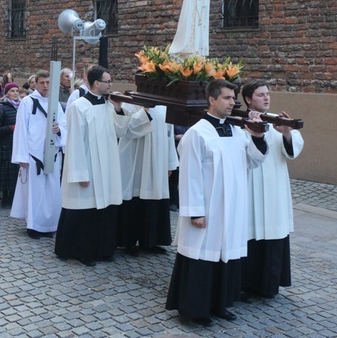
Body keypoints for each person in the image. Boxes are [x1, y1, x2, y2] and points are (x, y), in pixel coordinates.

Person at [165, 79, 267, 326]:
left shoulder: (236, 131)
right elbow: (189, 176)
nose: (233, 102)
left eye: (233, 98)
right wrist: (195, 213)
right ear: (212, 100)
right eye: (227, 98)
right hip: (207, 210)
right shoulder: (197, 133)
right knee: (201, 259)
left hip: (230, 210)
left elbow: (253, 161)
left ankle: (219, 304)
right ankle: (195, 309)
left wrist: (257, 135)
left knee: (225, 258)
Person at [55, 67, 134, 265]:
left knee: (106, 207)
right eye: (108, 81)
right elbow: (75, 143)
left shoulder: (108, 105)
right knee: (86, 210)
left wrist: (118, 108)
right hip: (88, 165)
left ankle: (104, 249)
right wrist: (80, 173)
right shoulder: (79, 107)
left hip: (107, 165)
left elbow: (121, 131)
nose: (111, 84)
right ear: (96, 83)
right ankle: (84, 252)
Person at [240, 81, 304, 299]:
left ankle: (269, 285)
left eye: (268, 94)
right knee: (250, 232)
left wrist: (286, 133)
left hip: (275, 188)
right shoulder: (240, 121)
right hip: (250, 185)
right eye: (261, 94)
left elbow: (293, 150)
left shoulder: (279, 120)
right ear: (248, 99)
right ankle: (245, 284)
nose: (267, 98)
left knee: (273, 233)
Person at [10, 70, 67, 239]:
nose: (45, 86)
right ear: (35, 84)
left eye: (48, 82)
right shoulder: (27, 102)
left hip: (52, 154)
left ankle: (49, 225)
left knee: (51, 191)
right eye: (42, 83)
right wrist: (22, 157)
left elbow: (64, 125)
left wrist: (59, 131)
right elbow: (21, 129)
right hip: (33, 154)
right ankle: (33, 226)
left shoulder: (54, 102)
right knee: (34, 192)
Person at [117, 104, 178, 255]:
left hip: (158, 160)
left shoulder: (164, 106)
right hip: (135, 161)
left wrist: (170, 163)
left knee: (155, 197)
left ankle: (150, 241)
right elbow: (128, 130)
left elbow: (169, 133)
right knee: (134, 198)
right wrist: (144, 110)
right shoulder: (129, 105)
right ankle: (129, 242)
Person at [0, 82, 20, 208]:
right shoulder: (1, 107)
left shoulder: (22, 106)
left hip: (18, 143)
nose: (15, 93)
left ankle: (15, 196)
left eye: (17, 91)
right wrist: (11, 128)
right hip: (6, 144)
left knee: (16, 171)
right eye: (12, 91)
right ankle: (5, 197)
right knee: (6, 172)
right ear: (7, 93)